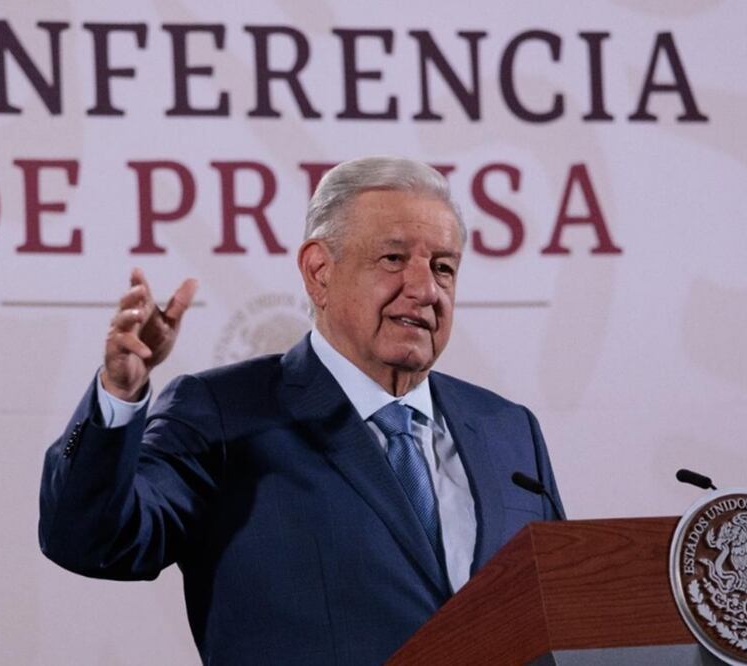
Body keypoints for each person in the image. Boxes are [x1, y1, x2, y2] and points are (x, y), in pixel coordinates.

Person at [39, 156, 564, 665]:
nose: (425, 289)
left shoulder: (508, 430)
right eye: (393, 259)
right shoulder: (224, 413)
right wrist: (119, 395)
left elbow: (563, 619)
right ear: (319, 272)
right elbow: (91, 541)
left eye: (443, 267)